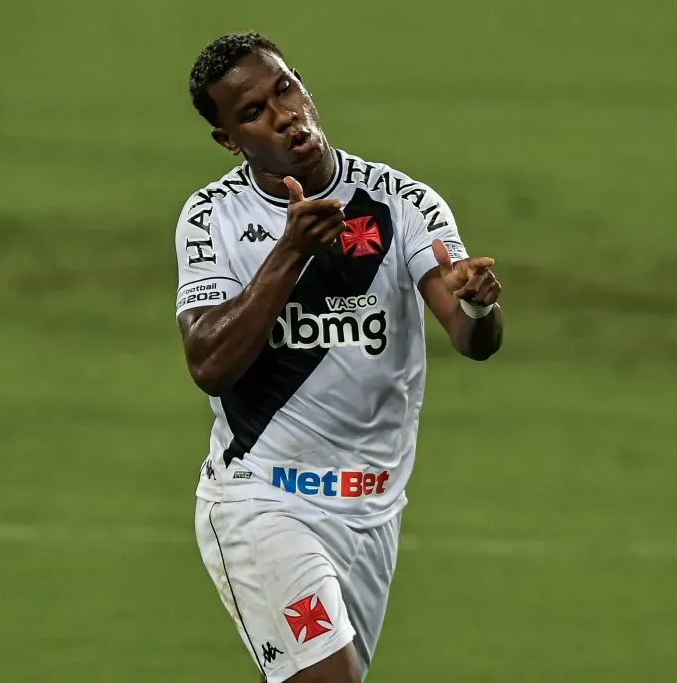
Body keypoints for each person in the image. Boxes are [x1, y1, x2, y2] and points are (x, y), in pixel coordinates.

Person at [175, 32, 505, 683]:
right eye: (252, 113)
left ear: (302, 83)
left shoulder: (403, 204)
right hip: (264, 503)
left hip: (372, 511)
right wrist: (291, 251)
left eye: (284, 90)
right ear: (228, 140)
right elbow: (208, 362)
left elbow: (472, 339)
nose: (283, 115)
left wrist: (476, 305)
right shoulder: (211, 218)